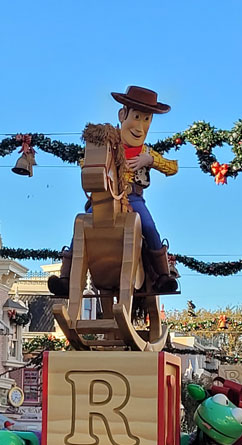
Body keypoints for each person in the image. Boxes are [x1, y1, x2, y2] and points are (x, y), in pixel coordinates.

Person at [49, 85, 179, 298]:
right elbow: (87, 162)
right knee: (81, 224)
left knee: (148, 225)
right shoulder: (109, 144)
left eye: (146, 120)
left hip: (133, 199)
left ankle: (163, 275)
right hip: (104, 199)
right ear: (122, 115)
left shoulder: (146, 151)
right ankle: (67, 278)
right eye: (136, 117)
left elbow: (173, 167)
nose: (140, 126)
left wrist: (151, 160)